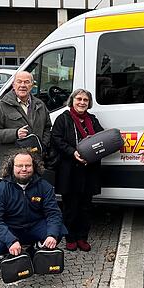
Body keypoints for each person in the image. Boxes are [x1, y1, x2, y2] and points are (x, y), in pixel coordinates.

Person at [0, 151, 66, 261]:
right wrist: (11, 240)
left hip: (35, 226)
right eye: (19, 165)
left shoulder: (44, 186)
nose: (24, 169)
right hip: (11, 227)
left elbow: (54, 214)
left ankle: (38, 246)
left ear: (34, 166)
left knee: (59, 230)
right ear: (11, 167)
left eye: (28, 165)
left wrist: (51, 235)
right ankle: (3, 255)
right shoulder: (0, 190)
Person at [51, 89, 104, 252]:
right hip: (70, 169)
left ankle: (82, 237)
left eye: (85, 100)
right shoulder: (63, 119)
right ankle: (70, 237)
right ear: (72, 101)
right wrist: (72, 152)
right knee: (70, 207)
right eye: (79, 99)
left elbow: (101, 137)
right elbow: (56, 140)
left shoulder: (92, 120)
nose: (82, 102)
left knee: (86, 207)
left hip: (89, 169)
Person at [0, 71, 52, 164]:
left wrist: (43, 145)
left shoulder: (40, 105)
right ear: (13, 85)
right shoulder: (1, 105)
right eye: (19, 82)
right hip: (11, 163)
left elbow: (47, 127)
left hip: (35, 162)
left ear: (32, 85)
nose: (23, 85)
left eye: (27, 82)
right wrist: (15, 134)